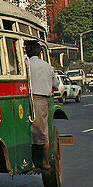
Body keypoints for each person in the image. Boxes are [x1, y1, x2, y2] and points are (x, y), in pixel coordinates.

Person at [25, 40, 56, 173]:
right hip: (41, 100)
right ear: (40, 52)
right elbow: (55, 83)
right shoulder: (47, 66)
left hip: (26, 99)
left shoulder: (25, 65)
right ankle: (44, 161)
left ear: (27, 52)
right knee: (42, 131)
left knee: (30, 130)